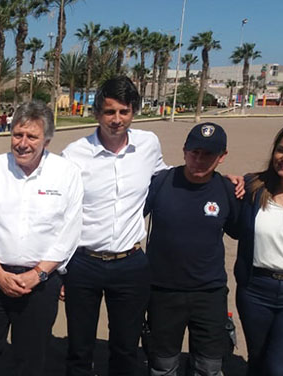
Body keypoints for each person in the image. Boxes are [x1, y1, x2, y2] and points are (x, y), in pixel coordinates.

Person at [0, 101, 83, 375]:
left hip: (40, 284)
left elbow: (69, 232)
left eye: (32, 136)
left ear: (47, 140)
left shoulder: (66, 174)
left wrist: (38, 274)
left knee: (30, 359)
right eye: (18, 134)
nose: (23, 143)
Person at [60, 76, 169, 376]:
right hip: (84, 263)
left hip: (130, 263)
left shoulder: (148, 144)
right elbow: (57, 209)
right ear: (96, 113)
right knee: (79, 348)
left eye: (124, 111)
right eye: (109, 112)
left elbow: (167, 176)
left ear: (133, 112)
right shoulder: (73, 154)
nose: (117, 119)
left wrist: (223, 180)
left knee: (125, 347)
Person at [143, 122, 239, 375]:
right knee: (162, 366)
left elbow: (242, 232)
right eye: (194, 152)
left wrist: (247, 182)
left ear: (222, 157)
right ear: (184, 151)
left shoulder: (227, 190)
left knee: (208, 367)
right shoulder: (161, 183)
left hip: (209, 293)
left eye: (208, 154)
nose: (199, 159)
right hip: (163, 292)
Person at [234, 121, 283, 376]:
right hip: (256, 290)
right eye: (281, 150)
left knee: (279, 369)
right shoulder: (254, 188)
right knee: (257, 361)